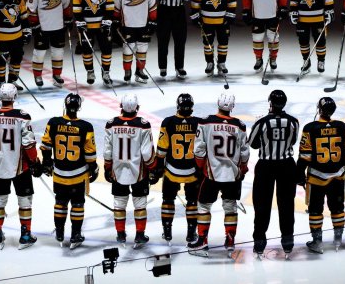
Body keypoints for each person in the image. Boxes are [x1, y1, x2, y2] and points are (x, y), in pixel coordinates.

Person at [188, 92, 251, 257]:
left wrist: (202, 166)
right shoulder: (240, 125)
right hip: (232, 174)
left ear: (218, 103)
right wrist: (242, 169)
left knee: (203, 206)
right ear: (232, 107)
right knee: (230, 206)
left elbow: (198, 149)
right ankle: (230, 241)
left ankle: (202, 240)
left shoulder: (205, 122)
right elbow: (245, 153)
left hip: (211, 174)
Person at [0, 83, 41, 250]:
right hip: (20, 166)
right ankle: (25, 234)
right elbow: (29, 143)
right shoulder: (22, 117)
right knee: (25, 200)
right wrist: (34, 162)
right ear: (14, 97)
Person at [41, 93, 98, 249]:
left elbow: (46, 146)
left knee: (60, 203)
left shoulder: (53, 123)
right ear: (78, 107)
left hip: (59, 174)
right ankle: (75, 235)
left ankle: (60, 233)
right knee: (77, 204)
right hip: (78, 175)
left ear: (65, 105)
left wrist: (47, 162)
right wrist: (94, 168)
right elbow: (90, 153)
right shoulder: (86, 126)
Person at [298, 96, 345, 253]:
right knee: (337, 208)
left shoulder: (310, 128)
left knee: (315, 209)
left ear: (319, 109)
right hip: (337, 177)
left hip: (316, 178)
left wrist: (299, 173)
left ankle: (317, 242)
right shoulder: (342, 126)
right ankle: (338, 240)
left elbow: (305, 155)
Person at [248, 89, 300, 257]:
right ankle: (287, 241)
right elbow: (293, 141)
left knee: (262, 205)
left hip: (266, 166)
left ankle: (259, 242)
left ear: (270, 103)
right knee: (286, 204)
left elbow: (253, 144)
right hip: (287, 165)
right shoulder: (293, 121)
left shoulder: (262, 122)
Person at [104, 93, 157, 247]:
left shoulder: (111, 124)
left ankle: (120, 234)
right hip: (139, 173)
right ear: (137, 107)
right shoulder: (143, 125)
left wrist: (108, 167)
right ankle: (139, 235)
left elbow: (108, 150)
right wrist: (153, 168)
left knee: (119, 204)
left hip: (117, 170)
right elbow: (147, 153)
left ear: (121, 106)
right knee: (140, 204)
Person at [154, 93, 202, 244]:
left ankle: (167, 232)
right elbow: (202, 150)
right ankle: (191, 233)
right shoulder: (199, 123)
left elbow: (161, 150)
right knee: (193, 201)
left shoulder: (168, 122)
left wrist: (157, 168)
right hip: (192, 171)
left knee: (168, 200)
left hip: (172, 171)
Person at [190, 0, 237, 76]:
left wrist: (230, 16)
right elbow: (196, 0)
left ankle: (221, 63)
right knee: (207, 43)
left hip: (222, 21)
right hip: (206, 21)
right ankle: (209, 63)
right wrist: (196, 16)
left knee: (223, 42)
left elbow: (232, 0)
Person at [28, 0, 72, 87]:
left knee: (58, 52)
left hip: (58, 26)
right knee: (39, 53)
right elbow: (31, 9)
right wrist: (35, 25)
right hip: (43, 28)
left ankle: (57, 75)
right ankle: (37, 76)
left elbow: (66, 4)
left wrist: (68, 19)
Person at [113, 0, 158, 83]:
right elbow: (116, 5)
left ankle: (140, 71)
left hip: (143, 23)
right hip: (127, 24)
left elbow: (152, 5)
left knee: (142, 48)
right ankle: (127, 71)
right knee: (128, 49)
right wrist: (116, 20)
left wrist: (153, 21)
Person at [289, 0, 334, 75]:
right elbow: (294, 0)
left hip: (319, 18)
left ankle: (321, 61)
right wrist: (293, 12)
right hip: (302, 19)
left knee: (320, 41)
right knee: (303, 41)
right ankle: (306, 61)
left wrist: (329, 11)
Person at [72, 0, 115, 85]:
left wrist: (108, 20)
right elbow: (76, 6)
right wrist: (79, 21)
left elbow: (110, 4)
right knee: (87, 51)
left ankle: (106, 73)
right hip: (87, 26)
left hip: (102, 25)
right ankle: (90, 72)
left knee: (107, 50)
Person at [153, 0, 192, 78]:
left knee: (180, 41)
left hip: (178, 11)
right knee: (163, 41)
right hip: (164, 11)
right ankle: (163, 67)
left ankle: (179, 67)